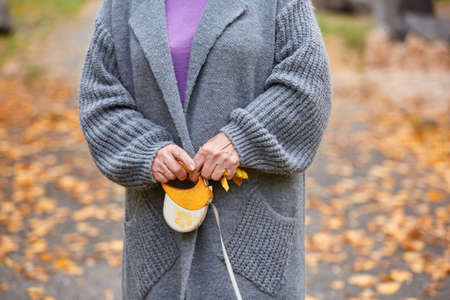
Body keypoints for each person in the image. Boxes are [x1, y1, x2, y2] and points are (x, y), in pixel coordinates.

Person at [77, 0, 332, 299]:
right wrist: (146, 150)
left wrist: (241, 139)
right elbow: (99, 98)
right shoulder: (122, 6)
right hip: (158, 233)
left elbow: (309, 86)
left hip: (252, 230)